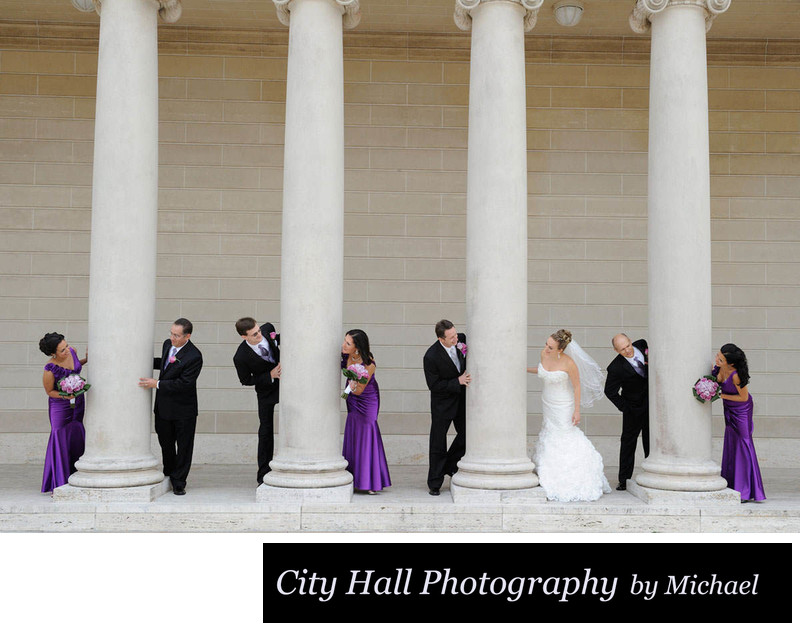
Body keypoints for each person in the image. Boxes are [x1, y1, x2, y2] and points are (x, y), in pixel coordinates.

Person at [528, 329, 611, 502]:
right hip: (548, 404)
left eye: (551, 347)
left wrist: (577, 410)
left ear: (560, 350)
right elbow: (543, 371)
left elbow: (577, 386)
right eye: (546, 344)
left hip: (563, 405)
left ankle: (572, 474)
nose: (546, 348)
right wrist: (524, 369)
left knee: (565, 436)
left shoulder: (569, 363)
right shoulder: (544, 354)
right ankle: (548, 469)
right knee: (549, 435)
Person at [139, 318, 202, 496]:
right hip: (163, 407)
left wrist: (156, 384)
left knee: (183, 446)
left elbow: (184, 383)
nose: (172, 337)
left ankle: (179, 481)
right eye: (171, 333)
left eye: (176, 335)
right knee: (165, 442)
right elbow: (166, 364)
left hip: (184, 410)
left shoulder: (194, 356)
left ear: (187, 336)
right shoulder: (168, 344)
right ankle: (169, 473)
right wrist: (143, 361)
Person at [423, 319, 469, 496]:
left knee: (468, 435)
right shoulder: (431, 356)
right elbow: (434, 385)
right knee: (438, 442)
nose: (455, 339)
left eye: (455, 334)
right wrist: (456, 381)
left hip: (462, 401)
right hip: (442, 404)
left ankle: (449, 466)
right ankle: (434, 483)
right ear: (441, 339)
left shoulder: (462, 339)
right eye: (451, 337)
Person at [341, 329, 391, 494]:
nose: (343, 345)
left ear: (357, 347)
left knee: (367, 433)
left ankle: (371, 481)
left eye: (348, 343)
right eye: (345, 341)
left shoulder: (369, 364)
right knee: (354, 431)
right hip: (352, 401)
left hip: (367, 400)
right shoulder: (345, 356)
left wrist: (352, 384)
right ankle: (353, 478)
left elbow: (359, 390)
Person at [714, 344, 766, 502]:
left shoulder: (736, 376)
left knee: (743, 444)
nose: (716, 359)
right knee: (731, 443)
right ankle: (731, 484)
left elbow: (743, 398)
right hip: (729, 409)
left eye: (720, 359)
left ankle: (746, 490)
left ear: (731, 363)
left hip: (742, 411)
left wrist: (721, 396)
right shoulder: (717, 368)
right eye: (717, 355)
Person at [233, 317, 281, 486]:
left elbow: (282, 339)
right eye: (254, 335)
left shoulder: (268, 329)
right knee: (265, 430)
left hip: (289, 386)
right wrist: (270, 376)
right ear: (244, 337)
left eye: (259, 331)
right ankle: (263, 474)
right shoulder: (240, 357)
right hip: (266, 391)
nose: (259, 335)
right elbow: (245, 380)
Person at [39, 332, 87, 494]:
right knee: (60, 435)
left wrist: (86, 359)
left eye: (66, 346)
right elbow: (49, 391)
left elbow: (75, 366)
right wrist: (66, 395)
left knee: (77, 431)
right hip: (60, 406)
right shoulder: (49, 369)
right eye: (62, 350)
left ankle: (77, 474)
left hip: (78, 402)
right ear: (53, 353)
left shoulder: (72, 351)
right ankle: (59, 480)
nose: (67, 350)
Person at [604, 333, 650, 491]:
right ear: (616, 350)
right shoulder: (615, 368)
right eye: (622, 349)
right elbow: (610, 392)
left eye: (628, 345)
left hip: (652, 406)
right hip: (633, 410)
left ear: (631, 341)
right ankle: (624, 479)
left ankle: (651, 473)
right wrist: (626, 407)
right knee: (628, 443)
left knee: (650, 440)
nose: (628, 350)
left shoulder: (643, 345)